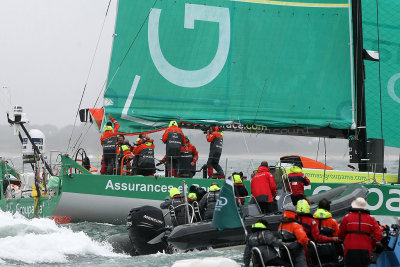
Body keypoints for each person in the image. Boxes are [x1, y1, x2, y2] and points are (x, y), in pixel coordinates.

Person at [338, 197, 382, 267]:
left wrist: (343, 239)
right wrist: (373, 245)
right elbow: (379, 236)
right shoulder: (371, 219)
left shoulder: (346, 218)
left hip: (350, 248)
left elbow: (340, 235)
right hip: (366, 249)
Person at [296, 199, 338, 265]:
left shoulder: (312, 220)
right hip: (326, 248)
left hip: (311, 249)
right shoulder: (332, 222)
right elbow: (336, 237)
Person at [313, 198, 341, 265]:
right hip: (331, 251)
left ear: (319, 207)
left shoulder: (313, 221)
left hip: (316, 251)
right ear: (329, 208)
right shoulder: (333, 222)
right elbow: (337, 238)